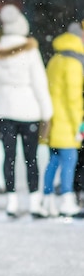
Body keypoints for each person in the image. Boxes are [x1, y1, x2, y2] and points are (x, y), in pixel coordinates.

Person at [0, 4, 53, 218]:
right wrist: (47, 112)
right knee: (31, 158)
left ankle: (11, 202)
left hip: (4, 109)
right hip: (29, 109)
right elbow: (39, 83)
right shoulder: (31, 50)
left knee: (9, 157)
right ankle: (34, 202)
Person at [41, 22, 84, 217]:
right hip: (68, 121)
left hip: (54, 118)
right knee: (70, 160)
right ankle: (67, 200)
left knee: (54, 160)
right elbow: (73, 98)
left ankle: (47, 199)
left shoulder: (55, 59)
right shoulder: (74, 62)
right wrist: (80, 125)